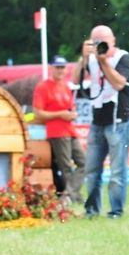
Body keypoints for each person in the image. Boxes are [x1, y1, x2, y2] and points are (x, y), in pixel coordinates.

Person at [71, 25, 129, 219]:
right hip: (97, 120)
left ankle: (115, 211)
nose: (101, 46)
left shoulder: (123, 57)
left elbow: (119, 83)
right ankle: (91, 210)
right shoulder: (90, 59)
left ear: (113, 40)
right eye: (96, 42)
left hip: (119, 121)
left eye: (104, 42)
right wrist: (83, 58)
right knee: (91, 169)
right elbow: (74, 80)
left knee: (117, 170)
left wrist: (103, 62)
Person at [31, 56, 84, 210]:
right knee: (66, 166)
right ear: (51, 68)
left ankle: (69, 195)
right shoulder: (43, 87)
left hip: (69, 130)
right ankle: (73, 196)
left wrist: (72, 114)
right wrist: (60, 114)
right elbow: (37, 113)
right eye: (57, 67)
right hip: (56, 132)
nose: (60, 70)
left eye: (63, 67)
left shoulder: (65, 86)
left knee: (84, 162)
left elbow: (70, 108)